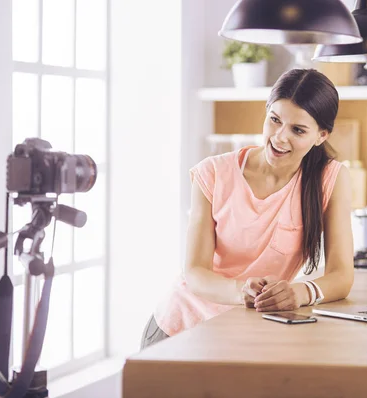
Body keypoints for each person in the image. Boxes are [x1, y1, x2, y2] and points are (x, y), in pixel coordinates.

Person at [141, 68, 354, 349]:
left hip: (246, 334)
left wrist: (300, 292)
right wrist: (241, 290)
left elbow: (342, 276)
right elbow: (194, 272)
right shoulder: (213, 173)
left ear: (321, 135)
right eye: (274, 120)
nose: (279, 137)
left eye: (298, 130)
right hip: (180, 330)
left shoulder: (330, 179)